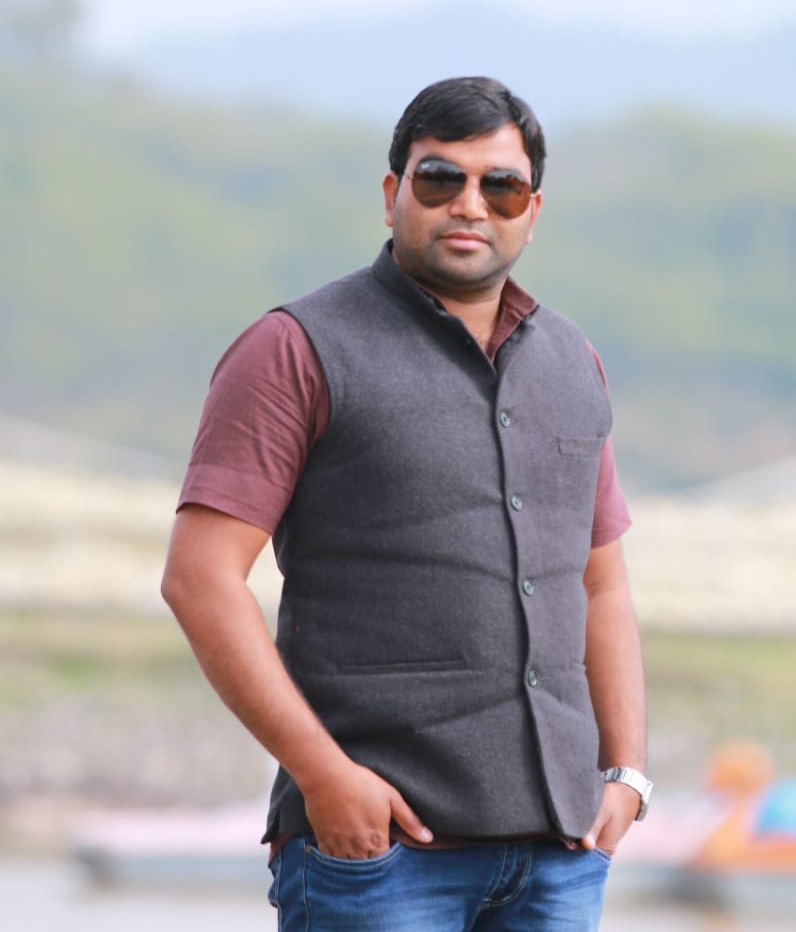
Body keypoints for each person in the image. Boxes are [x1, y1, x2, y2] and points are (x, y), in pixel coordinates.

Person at [161, 76, 651, 931]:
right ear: (392, 193)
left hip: (561, 856)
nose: (469, 204)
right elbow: (200, 580)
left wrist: (628, 774)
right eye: (439, 178)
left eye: (500, 186)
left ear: (532, 210)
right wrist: (323, 776)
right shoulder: (294, 349)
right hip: (379, 857)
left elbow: (598, 583)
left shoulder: (573, 361)